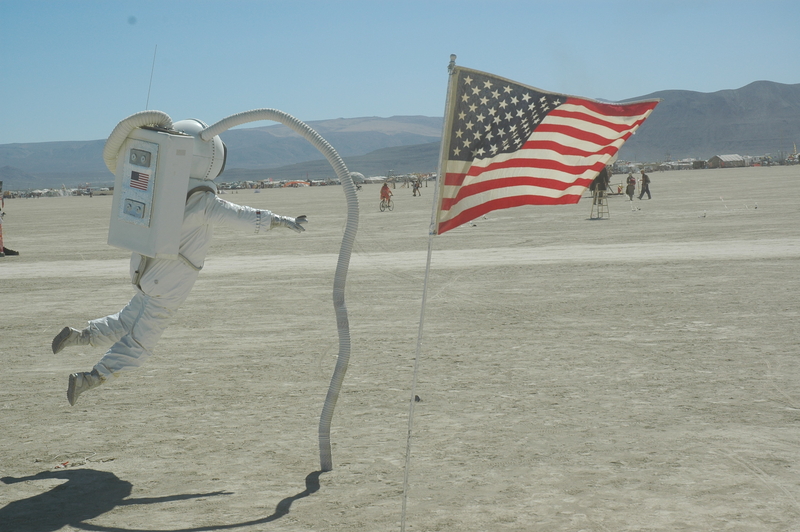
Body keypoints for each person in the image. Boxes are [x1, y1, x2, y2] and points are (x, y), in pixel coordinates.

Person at [52, 119, 307, 406]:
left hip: (143, 269)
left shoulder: (157, 187)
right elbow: (243, 216)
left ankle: (81, 336)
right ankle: (90, 378)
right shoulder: (203, 202)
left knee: (129, 318)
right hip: (170, 281)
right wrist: (282, 221)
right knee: (140, 342)